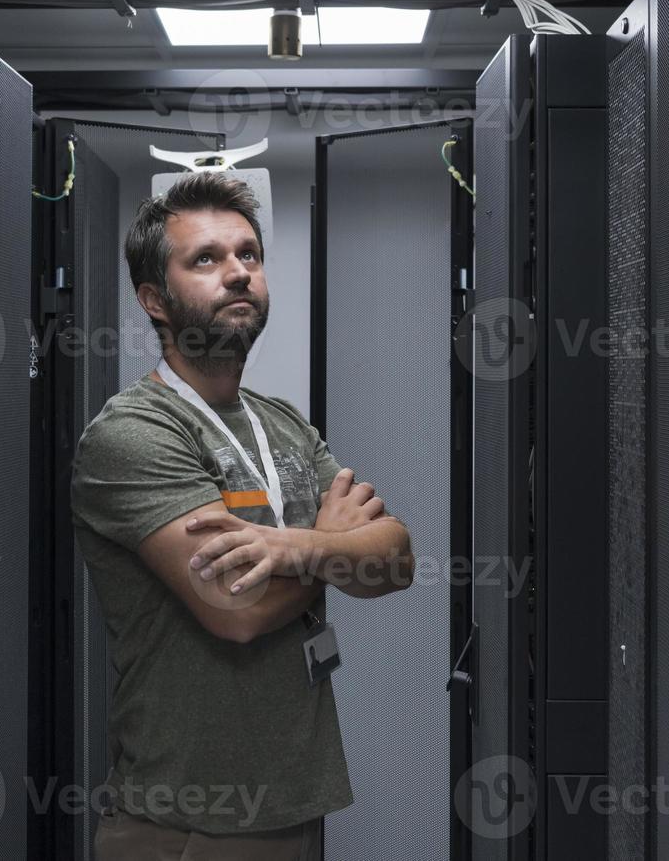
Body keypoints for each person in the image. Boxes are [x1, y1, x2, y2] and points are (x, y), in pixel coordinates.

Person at [70, 170, 414, 860]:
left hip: (295, 797)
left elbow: (396, 558)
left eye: (248, 255)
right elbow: (235, 610)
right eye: (206, 259)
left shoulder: (282, 423)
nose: (237, 274)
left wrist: (290, 550)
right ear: (154, 301)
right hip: (188, 820)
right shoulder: (134, 433)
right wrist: (334, 544)